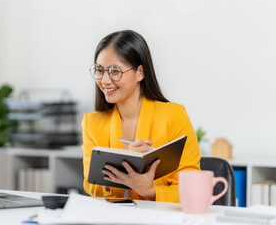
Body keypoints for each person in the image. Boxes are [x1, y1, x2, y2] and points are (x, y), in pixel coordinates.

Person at [81, 30, 201, 202]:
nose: (105, 80)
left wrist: (150, 191)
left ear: (140, 73)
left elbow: (192, 188)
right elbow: (91, 185)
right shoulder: (92, 123)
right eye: (100, 70)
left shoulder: (174, 115)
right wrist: (123, 165)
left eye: (115, 71)